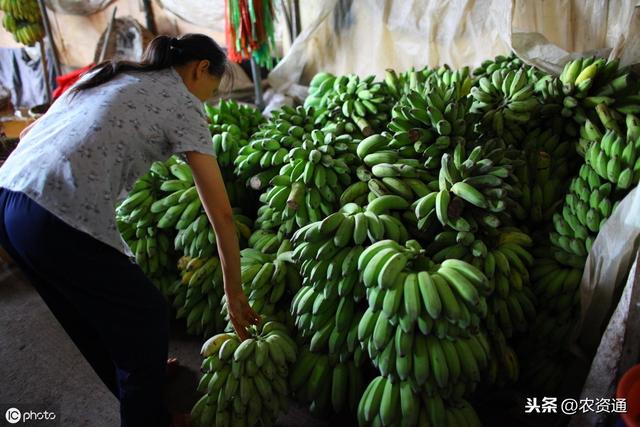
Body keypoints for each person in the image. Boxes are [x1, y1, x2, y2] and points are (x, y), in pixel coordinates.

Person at [0, 34, 259, 426]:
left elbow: (28, 133)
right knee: (148, 313)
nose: (205, 100)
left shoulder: (113, 73)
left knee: (85, 314)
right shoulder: (184, 104)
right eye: (209, 90)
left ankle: (143, 381)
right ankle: (149, 418)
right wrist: (234, 291)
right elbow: (221, 214)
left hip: (8, 195)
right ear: (200, 68)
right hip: (53, 211)